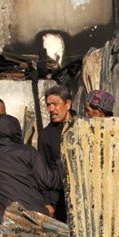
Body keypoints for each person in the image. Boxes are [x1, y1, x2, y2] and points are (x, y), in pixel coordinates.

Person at [0, 115, 60, 227]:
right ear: (16, 131)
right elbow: (49, 181)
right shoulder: (28, 152)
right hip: (36, 219)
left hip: (5, 223)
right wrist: (59, 163)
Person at [38, 85, 74, 220]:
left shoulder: (83, 126)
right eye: (48, 105)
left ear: (68, 104)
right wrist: (47, 202)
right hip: (59, 196)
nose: (51, 109)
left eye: (55, 104)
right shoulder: (46, 135)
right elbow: (43, 169)